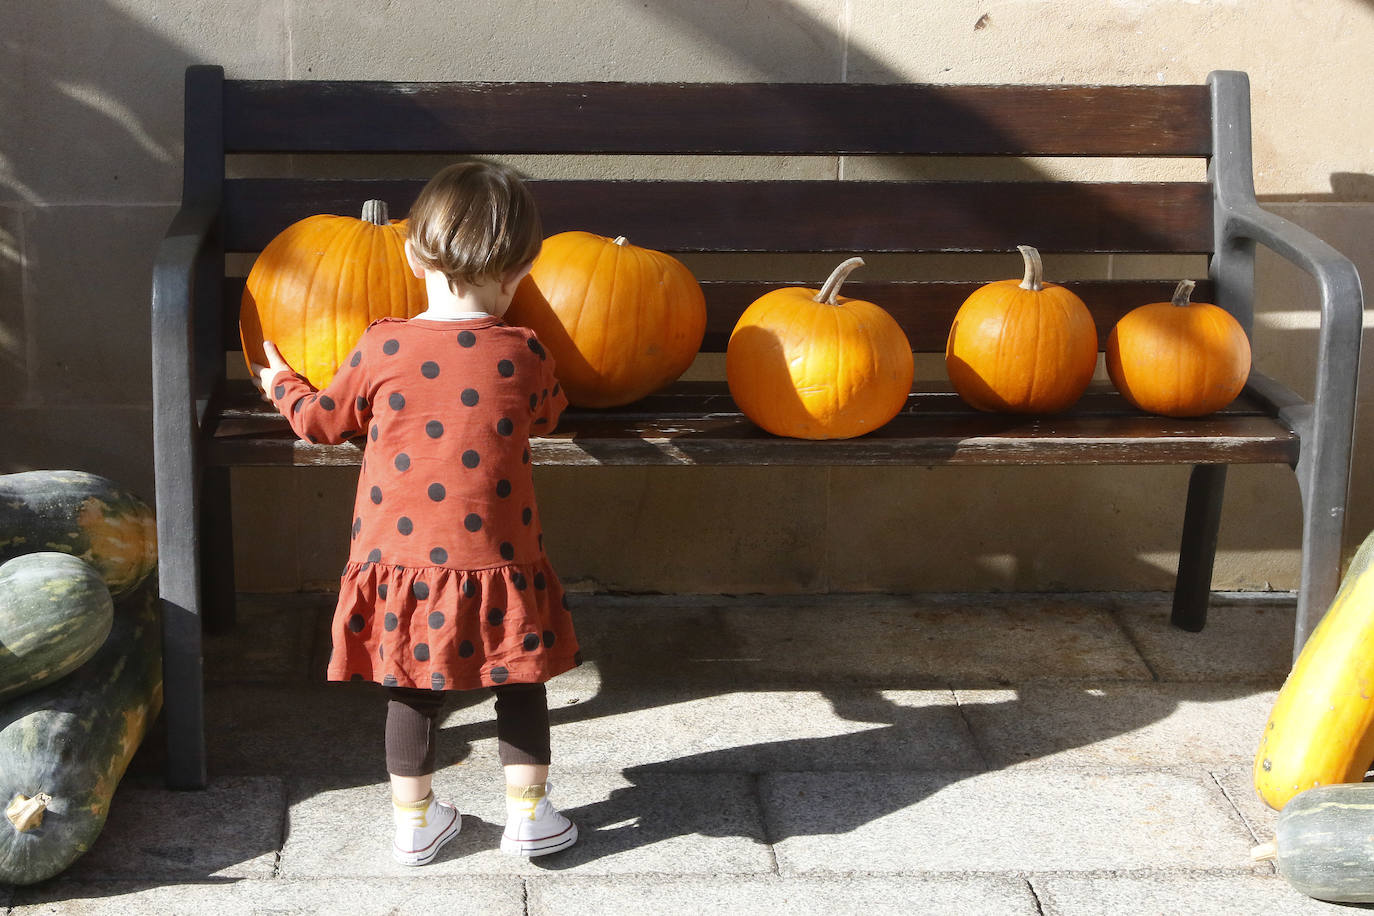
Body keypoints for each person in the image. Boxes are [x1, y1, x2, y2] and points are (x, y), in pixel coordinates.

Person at [251, 161, 580, 865]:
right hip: (499, 560)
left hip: (400, 562)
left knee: (412, 691)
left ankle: (415, 823)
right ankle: (530, 816)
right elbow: (550, 415)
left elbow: (322, 422)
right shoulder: (523, 352)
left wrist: (282, 384)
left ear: (410, 253)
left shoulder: (380, 344)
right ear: (521, 272)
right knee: (517, 683)